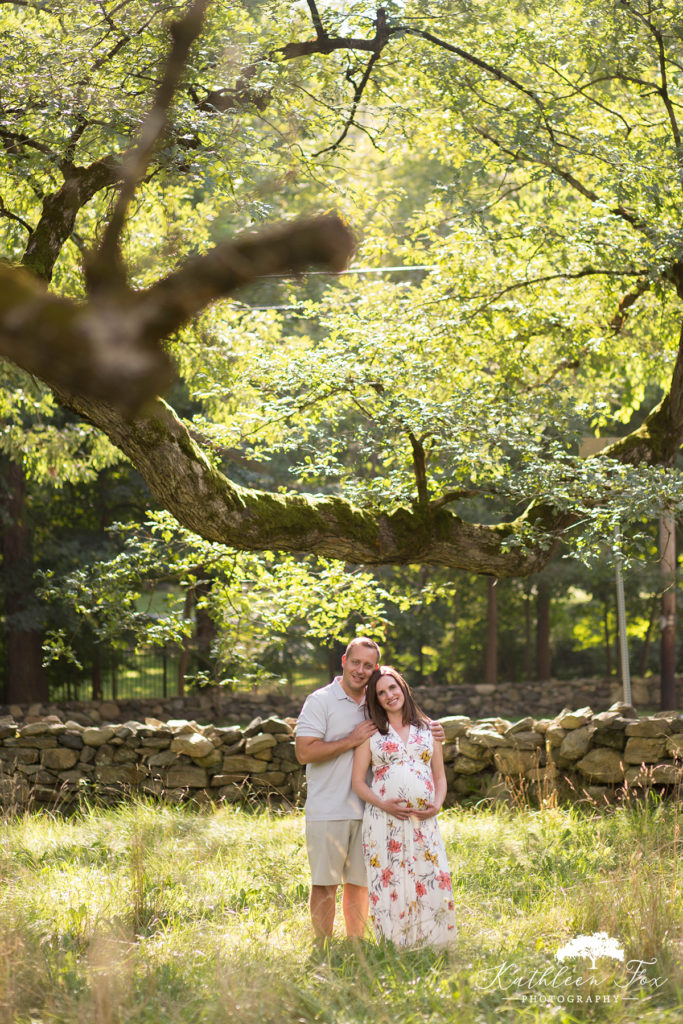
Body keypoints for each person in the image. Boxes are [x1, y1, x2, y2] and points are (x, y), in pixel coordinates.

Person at [295, 638, 445, 940]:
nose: (360, 670)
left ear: (374, 668)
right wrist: (351, 740)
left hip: (370, 812)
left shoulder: (375, 700)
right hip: (329, 808)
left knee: (360, 884)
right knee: (325, 883)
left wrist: (435, 728)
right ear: (344, 661)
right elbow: (304, 752)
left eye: (367, 665)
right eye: (355, 662)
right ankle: (323, 947)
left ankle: (356, 945)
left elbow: (407, 720)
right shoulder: (320, 700)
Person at [351, 666, 457, 949]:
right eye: (381, 693)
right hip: (383, 820)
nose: (389, 695)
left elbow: (439, 777)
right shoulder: (372, 732)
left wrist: (437, 805)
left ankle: (434, 944)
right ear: (376, 700)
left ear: (403, 688)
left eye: (392, 688)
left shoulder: (429, 729)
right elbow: (358, 782)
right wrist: (383, 804)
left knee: (430, 874)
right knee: (392, 881)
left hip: (424, 821)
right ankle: (395, 946)